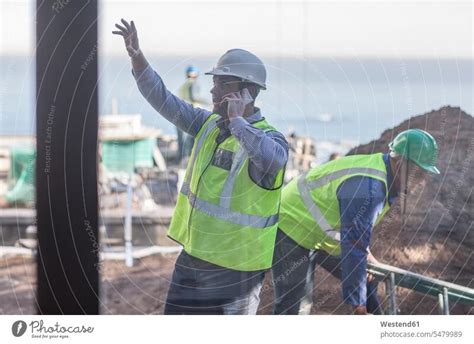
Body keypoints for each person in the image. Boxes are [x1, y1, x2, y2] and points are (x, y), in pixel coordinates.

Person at [113, 19, 288, 315]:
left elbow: (273, 160)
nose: (212, 90)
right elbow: (163, 99)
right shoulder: (207, 124)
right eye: (214, 82)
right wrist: (137, 57)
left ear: (246, 92)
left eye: (222, 83)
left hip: (237, 273)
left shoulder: (271, 138)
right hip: (193, 260)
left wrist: (238, 122)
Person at [272, 129, 440, 315]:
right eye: (420, 174)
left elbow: (355, 231)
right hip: (292, 223)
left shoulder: (384, 174)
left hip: (318, 230)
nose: (423, 181)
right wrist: (357, 305)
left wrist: (366, 257)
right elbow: (353, 245)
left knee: (369, 276)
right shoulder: (369, 189)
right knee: (294, 308)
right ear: (400, 164)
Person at [176, 65, 209, 164]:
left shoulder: (183, 85)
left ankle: (181, 160)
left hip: (179, 115)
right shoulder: (193, 84)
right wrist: (209, 102)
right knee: (190, 140)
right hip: (190, 115)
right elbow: (194, 97)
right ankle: (189, 161)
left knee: (182, 140)